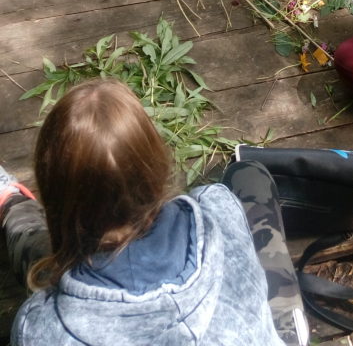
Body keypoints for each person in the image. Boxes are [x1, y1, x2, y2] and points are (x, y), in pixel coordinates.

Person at [0, 80, 308, 346]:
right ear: (158, 171)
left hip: (81, 290)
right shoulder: (219, 208)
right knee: (249, 174)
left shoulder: (41, 329)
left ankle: (11, 203)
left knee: (45, 262)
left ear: (55, 199)